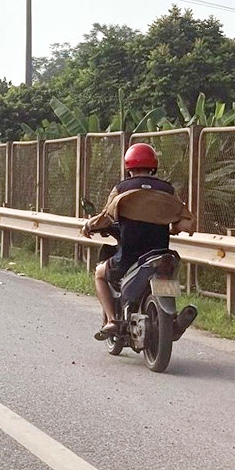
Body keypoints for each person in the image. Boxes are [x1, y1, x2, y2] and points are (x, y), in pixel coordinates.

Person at [82, 143, 195, 340]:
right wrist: (174, 227)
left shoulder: (122, 189)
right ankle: (173, 322)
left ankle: (111, 321)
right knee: (168, 274)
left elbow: (106, 217)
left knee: (99, 274)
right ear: (154, 165)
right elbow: (188, 225)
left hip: (130, 257)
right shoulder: (168, 190)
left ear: (128, 166)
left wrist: (89, 226)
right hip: (161, 254)